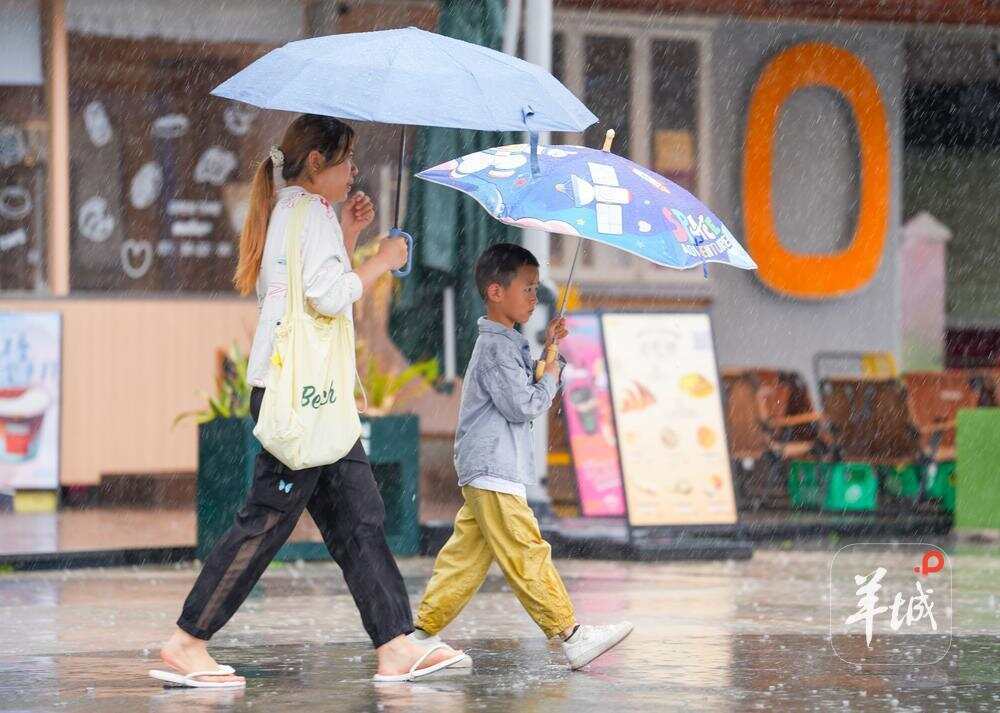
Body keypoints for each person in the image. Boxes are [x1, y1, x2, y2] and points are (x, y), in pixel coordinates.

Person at [151, 114, 466, 688]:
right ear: (316, 164)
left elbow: (314, 282)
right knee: (268, 520)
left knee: (360, 516)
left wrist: (347, 235)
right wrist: (383, 259)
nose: (353, 173)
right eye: (345, 162)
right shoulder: (307, 211)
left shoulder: (296, 211)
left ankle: (395, 643)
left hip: (308, 396)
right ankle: (188, 640)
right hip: (302, 397)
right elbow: (326, 296)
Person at [410, 243, 633, 670]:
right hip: (494, 468)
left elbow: (519, 386)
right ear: (496, 292)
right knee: (527, 551)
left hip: (490, 468)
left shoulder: (506, 343)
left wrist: (548, 350)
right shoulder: (495, 348)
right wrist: (550, 377)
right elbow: (522, 405)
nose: (535, 297)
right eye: (527, 289)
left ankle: (420, 635)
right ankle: (570, 634)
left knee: (465, 559)